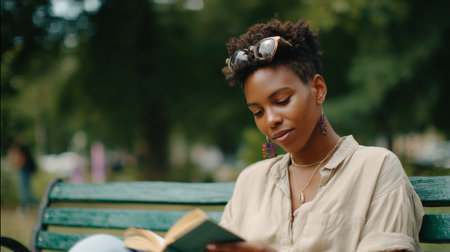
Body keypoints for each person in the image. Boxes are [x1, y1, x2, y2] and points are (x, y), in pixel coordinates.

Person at [69, 19, 424, 252]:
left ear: (317, 90)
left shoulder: (375, 168)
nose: (270, 120)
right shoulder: (253, 180)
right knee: (97, 247)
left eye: (282, 100)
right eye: (257, 112)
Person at [7, 139, 38, 212]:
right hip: (26, 170)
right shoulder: (24, 149)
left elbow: (20, 160)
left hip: (24, 170)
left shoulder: (21, 150)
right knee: (28, 189)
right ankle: (35, 205)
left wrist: (17, 165)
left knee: (24, 190)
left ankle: (25, 207)